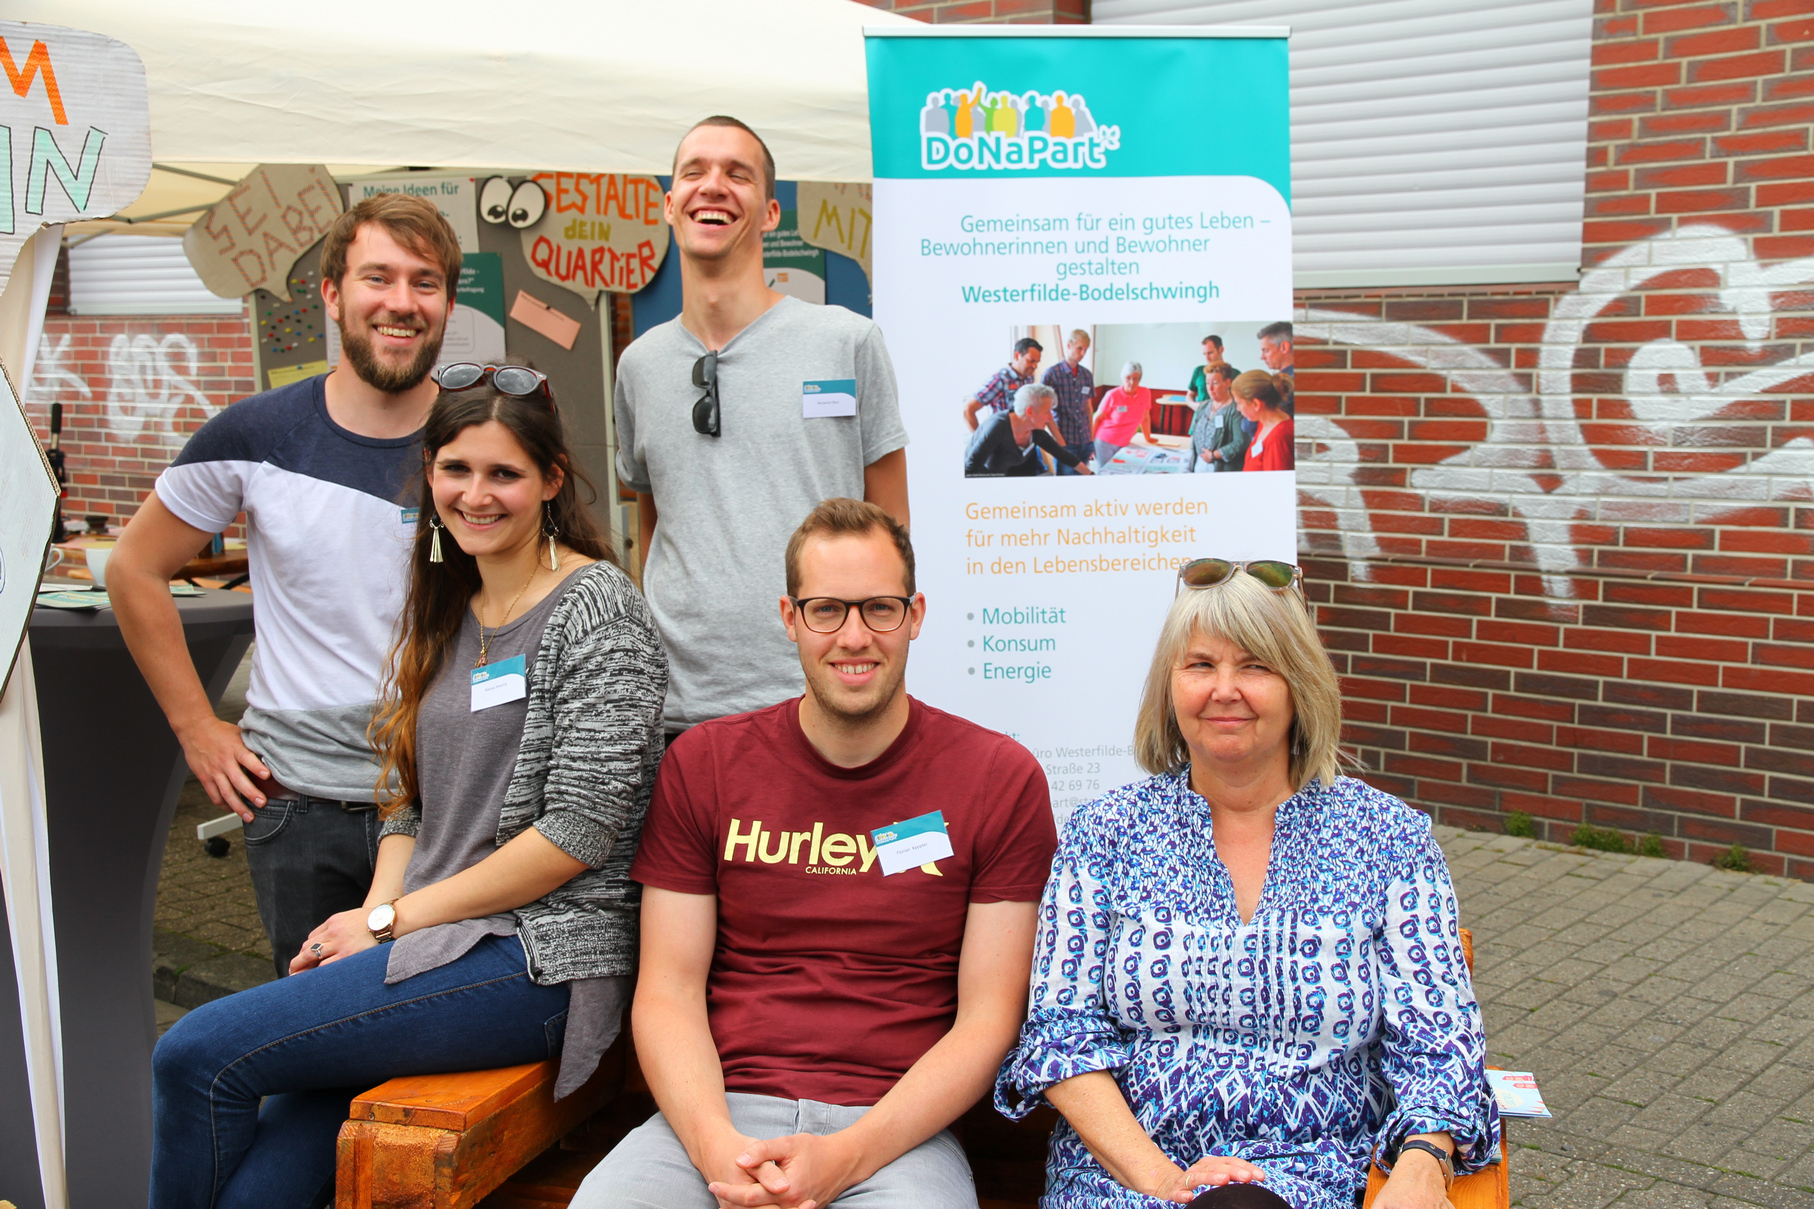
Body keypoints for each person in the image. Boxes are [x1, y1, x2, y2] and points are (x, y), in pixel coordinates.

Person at [150, 367, 668, 1209]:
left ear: (551, 480)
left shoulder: (598, 611)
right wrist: (372, 918)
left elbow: (579, 832)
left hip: (533, 961)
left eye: (504, 473)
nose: (477, 494)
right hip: (424, 946)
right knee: (258, 1193)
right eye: (456, 469)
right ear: (429, 476)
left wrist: (392, 920)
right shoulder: (445, 600)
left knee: (195, 1051)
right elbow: (403, 793)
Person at [573, 498, 1059, 1209]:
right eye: (827, 608)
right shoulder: (705, 763)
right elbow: (668, 991)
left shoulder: (998, 778)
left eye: (879, 609)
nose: (854, 636)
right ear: (790, 617)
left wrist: (844, 1156)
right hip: (714, 1116)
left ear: (916, 614)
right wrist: (720, 1152)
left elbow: (990, 1018)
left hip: (896, 1134)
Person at [996, 558, 1498, 1209]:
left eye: (1255, 664)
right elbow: (1060, 1035)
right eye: (1200, 664)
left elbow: (1440, 1042)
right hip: (1127, 1175)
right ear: (1169, 686)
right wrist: (1163, 1179)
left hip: (1321, 1175)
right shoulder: (1105, 834)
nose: (1223, 688)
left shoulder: (1387, 838)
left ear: (1299, 684)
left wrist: (1424, 1161)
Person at [109, 194, 462, 977]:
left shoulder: (478, 439)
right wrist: (197, 727)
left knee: (435, 1054)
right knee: (311, 1044)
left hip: (449, 803)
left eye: (425, 281)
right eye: (378, 278)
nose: (401, 302)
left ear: (446, 301)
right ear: (333, 294)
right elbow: (133, 569)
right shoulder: (254, 435)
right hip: (298, 806)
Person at [614, 115, 909, 735]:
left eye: (737, 174)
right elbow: (655, 519)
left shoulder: (846, 342)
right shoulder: (638, 365)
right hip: (675, 711)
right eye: (694, 172)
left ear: (771, 212)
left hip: (816, 698)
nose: (713, 186)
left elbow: (893, 526)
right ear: (669, 204)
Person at [966, 383, 1095, 477]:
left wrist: (1090, 475)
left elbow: (1062, 454)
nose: (1050, 418)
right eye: (1047, 411)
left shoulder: (1034, 431)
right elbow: (971, 468)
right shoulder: (997, 428)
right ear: (1030, 412)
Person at [1040, 329, 1095, 475]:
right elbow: (1045, 412)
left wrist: (1091, 438)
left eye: (1086, 350)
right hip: (1065, 441)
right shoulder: (1051, 374)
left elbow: (1088, 408)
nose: (1083, 353)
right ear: (1069, 346)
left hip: (1085, 440)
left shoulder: (1086, 375)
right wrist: (1060, 442)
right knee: (1066, 485)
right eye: (1079, 348)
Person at [962, 336, 1042, 432]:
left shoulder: (1029, 378)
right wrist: (981, 440)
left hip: (1023, 438)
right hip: (1002, 439)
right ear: (1017, 356)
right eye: (1031, 361)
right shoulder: (999, 380)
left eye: (1037, 362)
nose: (1035, 366)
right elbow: (968, 410)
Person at [1090, 361, 1155, 468]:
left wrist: (1148, 437)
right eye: (1128, 378)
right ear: (1122, 378)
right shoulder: (1112, 395)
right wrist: (1090, 443)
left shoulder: (1145, 393)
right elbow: (1096, 418)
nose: (1131, 382)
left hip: (1125, 443)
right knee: (1106, 474)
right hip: (1104, 442)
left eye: (1136, 379)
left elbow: (1145, 418)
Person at [1188, 363, 1247, 473]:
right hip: (1198, 466)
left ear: (1227, 383)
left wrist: (1214, 455)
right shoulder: (1204, 406)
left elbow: (1240, 443)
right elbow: (1194, 437)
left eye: (1215, 383)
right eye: (1207, 383)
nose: (1210, 388)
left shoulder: (1235, 410)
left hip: (1221, 469)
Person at [1235, 370, 1294, 472]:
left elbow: (1275, 483)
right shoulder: (1263, 423)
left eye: (1239, 403)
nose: (1238, 409)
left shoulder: (1278, 438)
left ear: (1256, 404)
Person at [1186, 334, 1225, 405]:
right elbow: (1190, 395)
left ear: (1221, 350)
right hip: (1200, 414)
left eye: (1210, 353)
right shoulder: (1199, 371)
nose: (1207, 357)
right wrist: (1194, 405)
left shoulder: (1234, 373)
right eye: (1204, 354)